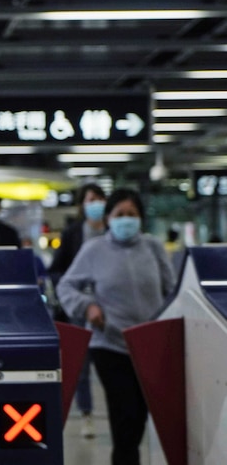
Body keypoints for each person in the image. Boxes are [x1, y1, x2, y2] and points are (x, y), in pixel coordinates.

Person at [57, 188, 176, 465]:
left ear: (141, 219)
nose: (125, 220)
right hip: (109, 344)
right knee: (124, 416)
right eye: (119, 214)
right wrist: (87, 306)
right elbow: (66, 285)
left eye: (131, 215)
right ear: (108, 218)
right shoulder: (94, 250)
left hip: (149, 346)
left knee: (139, 417)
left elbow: (171, 289)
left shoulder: (153, 248)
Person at [48, 182, 107, 438]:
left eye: (98, 198)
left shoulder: (112, 232)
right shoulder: (74, 233)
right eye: (89, 199)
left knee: (112, 362)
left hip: (111, 308)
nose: (94, 203)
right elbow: (57, 269)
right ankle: (86, 413)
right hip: (79, 310)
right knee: (81, 365)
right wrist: (69, 292)